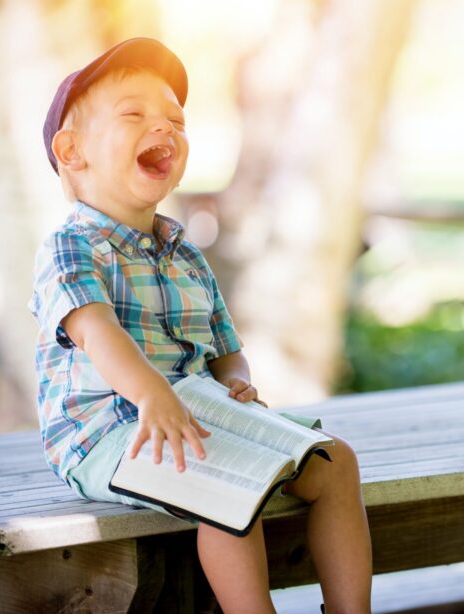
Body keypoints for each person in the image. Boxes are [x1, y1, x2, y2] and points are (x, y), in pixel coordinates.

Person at [29, 37, 372, 613]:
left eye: (175, 120)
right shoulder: (71, 247)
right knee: (226, 486)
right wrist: (152, 394)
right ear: (72, 150)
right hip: (107, 432)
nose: (163, 128)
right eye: (134, 114)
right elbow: (97, 331)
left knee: (336, 463)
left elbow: (224, 348)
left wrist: (236, 380)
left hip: (197, 412)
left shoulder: (184, 252)